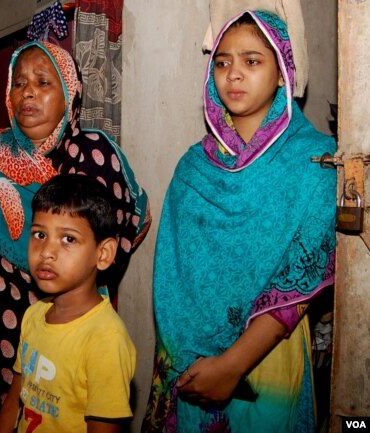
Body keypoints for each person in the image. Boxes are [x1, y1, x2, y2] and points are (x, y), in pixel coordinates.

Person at [0, 40, 151, 432]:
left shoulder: (92, 155)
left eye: (44, 82)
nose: (28, 91)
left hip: (61, 336)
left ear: (69, 94)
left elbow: (110, 243)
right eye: (19, 83)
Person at [141, 10, 335, 433]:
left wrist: (232, 365)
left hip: (268, 358)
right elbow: (173, 276)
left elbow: (303, 271)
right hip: (188, 362)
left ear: (283, 72)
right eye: (223, 62)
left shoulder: (315, 160)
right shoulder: (194, 168)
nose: (233, 74)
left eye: (252, 61)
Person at [0, 173, 137, 433]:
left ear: (103, 254)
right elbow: (16, 399)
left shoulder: (105, 340)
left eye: (68, 239)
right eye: (39, 234)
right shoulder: (33, 315)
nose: (46, 251)